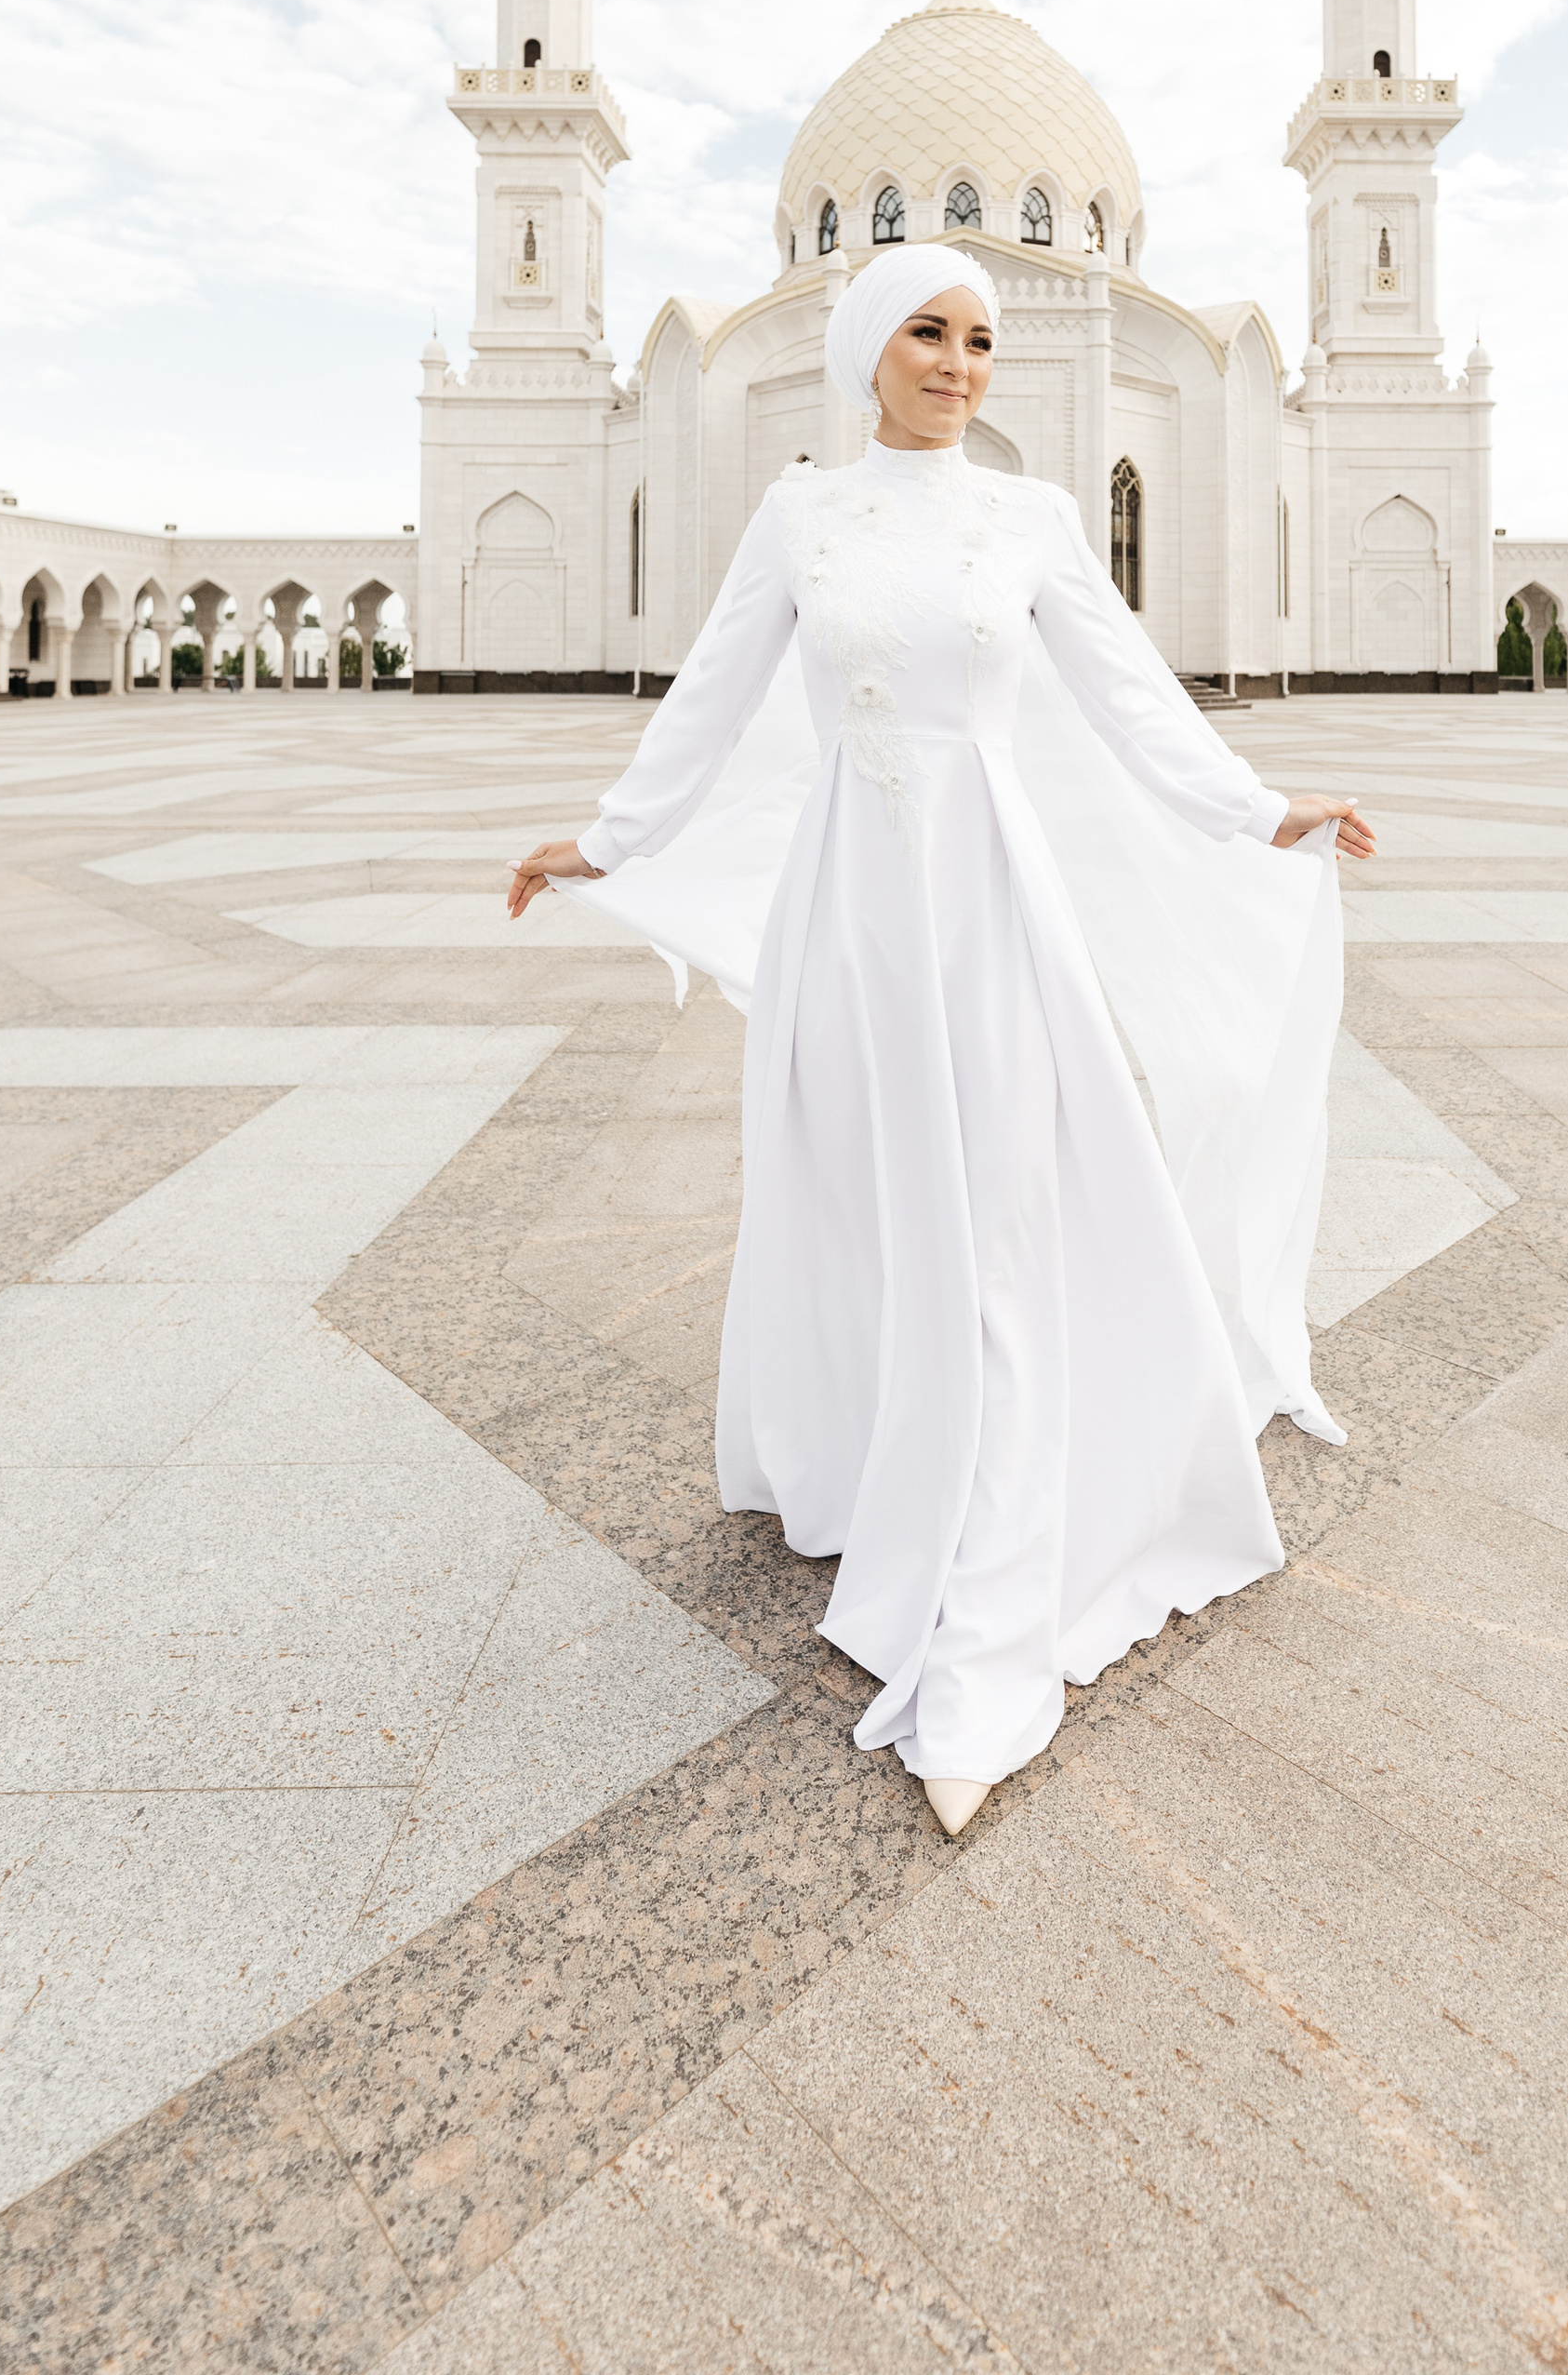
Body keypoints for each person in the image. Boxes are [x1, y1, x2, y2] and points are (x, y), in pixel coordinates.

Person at [509, 245, 1373, 1837]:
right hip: (845, 905)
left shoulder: (1032, 521)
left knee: (993, 1220)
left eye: (980, 339)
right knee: (851, 1187)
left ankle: (981, 1614)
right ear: (866, 350)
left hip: (982, 896)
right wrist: (609, 843)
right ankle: (858, 1457)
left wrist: (1263, 814)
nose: (961, 363)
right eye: (929, 332)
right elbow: (708, 699)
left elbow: (1133, 698)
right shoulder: (801, 517)